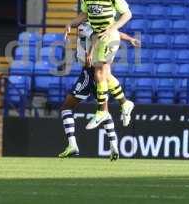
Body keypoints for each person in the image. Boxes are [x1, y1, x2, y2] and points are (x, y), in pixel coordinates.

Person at [64, 0, 134, 133]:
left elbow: (127, 14)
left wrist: (112, 28)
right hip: (98, 37)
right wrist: (71, 23)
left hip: (109, 36)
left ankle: (102, 111)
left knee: (99, 72)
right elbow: (85, 15)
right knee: (106, 74)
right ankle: (125, 103)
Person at [58, 22, 140, 161]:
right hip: (97, 69)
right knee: (103, 110)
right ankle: (114, 146)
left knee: (66, 107)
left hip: (89, 72)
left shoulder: (88, 25)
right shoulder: (96, 23)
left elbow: (96, 36)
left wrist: (89, 53)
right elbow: (113, 33)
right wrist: (130, 38)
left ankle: (72, 145)